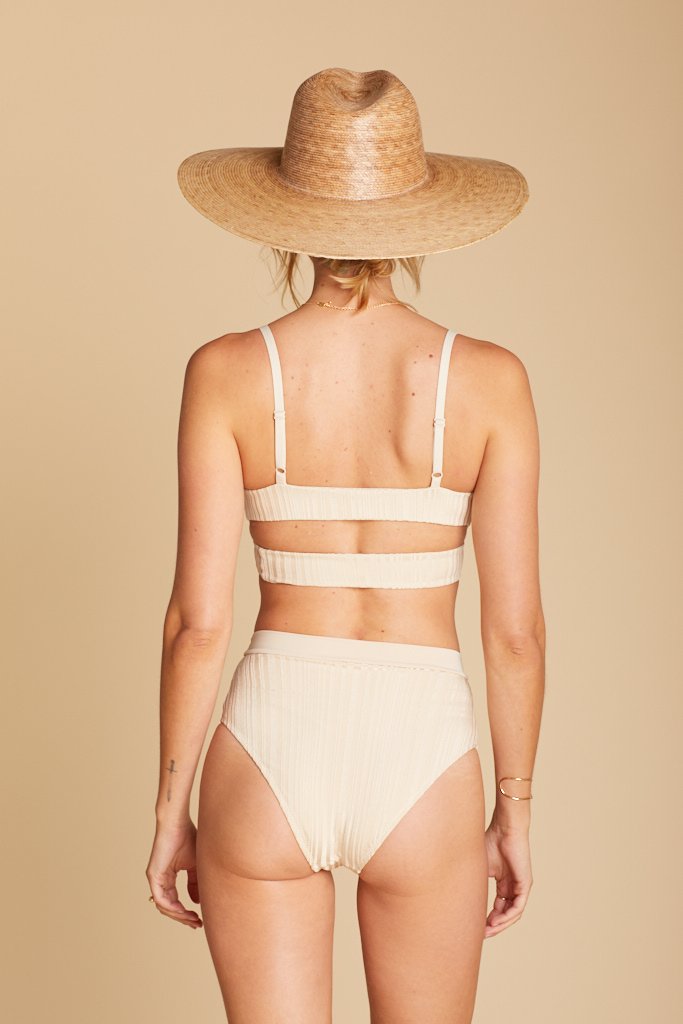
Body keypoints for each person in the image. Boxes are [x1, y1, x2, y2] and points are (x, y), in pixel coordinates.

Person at [146, 67, 545, 1024]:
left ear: (282, 215)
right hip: (423, 745)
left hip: (270, 738)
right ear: (416, 218)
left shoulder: (227, 371)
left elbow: (198, 623)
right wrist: (514, 810)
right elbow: (514, 634)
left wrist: (169, 811)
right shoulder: (489, 380)